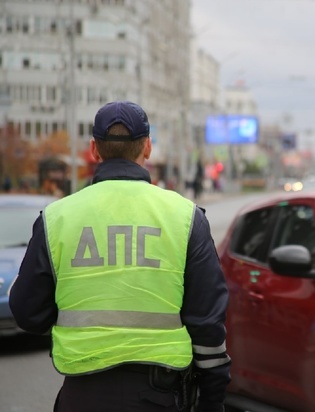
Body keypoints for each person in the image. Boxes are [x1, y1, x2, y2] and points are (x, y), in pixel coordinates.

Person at [9, 100, 231, 412]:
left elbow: (27, 312)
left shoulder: (57, 217)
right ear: (148, 147)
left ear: (93, 150)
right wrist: (212, 400)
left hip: (82, 396)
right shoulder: (185, 217)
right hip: (161, 396)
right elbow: (208, 324)